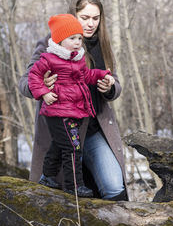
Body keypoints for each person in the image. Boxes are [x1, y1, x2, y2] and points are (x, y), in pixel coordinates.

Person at [19, 0, 128, 201]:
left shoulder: (102, 43)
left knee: (114, 186)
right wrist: (41, 87)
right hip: (63, 129)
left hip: (94, 129)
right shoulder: (52, 43)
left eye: (96, 18)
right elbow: (25, 82)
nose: (90, 24)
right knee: (62, 196)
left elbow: (114, 80)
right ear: (73, 15)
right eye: (84, 17)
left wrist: (110, 86)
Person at [28, 13, 114, 197]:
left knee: (60, 145)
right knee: (73, 148)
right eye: (72, 38)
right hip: (57, 110)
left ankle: (48, 176)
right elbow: (33, 77)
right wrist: (43, 92)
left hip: (74, 111)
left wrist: (101, 75)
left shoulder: (78, 59)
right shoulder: (49, 59)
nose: (77, 42)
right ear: (59, 41)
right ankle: (74, 185)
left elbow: (86, 76)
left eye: (79, 39)